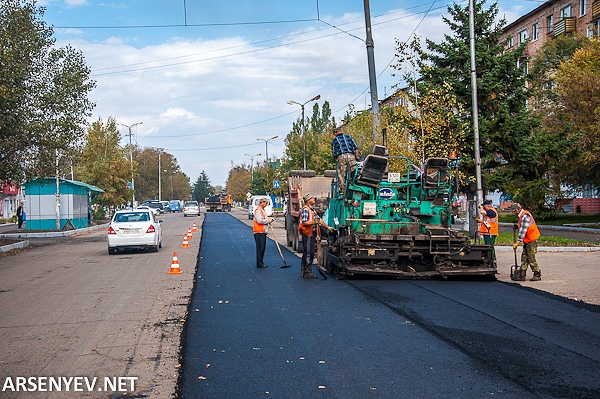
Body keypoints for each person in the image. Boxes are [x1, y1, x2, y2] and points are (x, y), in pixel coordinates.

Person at [299, 193, 333, 278]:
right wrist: (314, 222)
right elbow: (304, 222)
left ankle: (304, 271)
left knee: (309, 252)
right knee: (308, 252)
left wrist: (327, 227)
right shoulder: (306, 210)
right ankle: (307, 271)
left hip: (312, 233)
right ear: (308, 201)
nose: (314, 199)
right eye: (312, 198)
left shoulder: (312, 210)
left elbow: (319, 220)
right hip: (307, 233)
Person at [512, 203, 542, 281]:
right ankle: (522, 274)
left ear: (519, 209)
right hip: (527, 239)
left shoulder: (525, 215)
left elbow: (523, 230)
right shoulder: (521, 216)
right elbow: (522, 226)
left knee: (531, 257)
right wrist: (517, 226)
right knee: (524, 257)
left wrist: (518, 241)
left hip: (531, 239)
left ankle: (537, 274)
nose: (514, 212)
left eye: (515, 211)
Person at [331, 126, 358, 196]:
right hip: (351, 156)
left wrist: (337, 158)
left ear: (335, 133)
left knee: (341, 174)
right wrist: (356, 157)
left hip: (341, 156)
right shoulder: (349, 137)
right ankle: (354, 185)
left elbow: (334, 153)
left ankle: (342, 190)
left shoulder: (334, 141)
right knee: (354, 171)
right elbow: (356, 148)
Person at [253, 197, 274, 268]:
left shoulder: (262, 210)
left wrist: (269, 219)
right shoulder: (258, 211)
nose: (266, 204)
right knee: (260, 248)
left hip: (262, 231)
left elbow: (264, 218)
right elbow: (259, 221)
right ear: (262, 202)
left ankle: (260, 262)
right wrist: (268, 221)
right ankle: (259, 263)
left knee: (262, 248)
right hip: (259, 232)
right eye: (265, 203)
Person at [478, 199, 499, 264]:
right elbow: (487, 222)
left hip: (491, 232)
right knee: (488, 246)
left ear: (487, 206)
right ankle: (490, 258)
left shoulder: (491, 211)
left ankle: (492, 258)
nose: (484, 208)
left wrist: (481, 207)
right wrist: (480, 221)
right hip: (488, 232)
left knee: (489, 246)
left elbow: (482, 212)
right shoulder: (490, 212)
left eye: (484, 207)